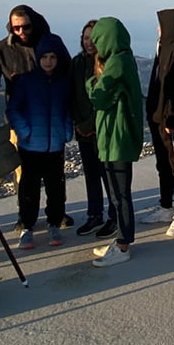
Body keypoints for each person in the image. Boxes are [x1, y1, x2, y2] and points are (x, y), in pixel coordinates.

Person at [0, 4, 73, 229]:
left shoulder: (51, 43)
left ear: (35, 23)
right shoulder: (1, 49)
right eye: (16, 28)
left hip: (52, 121)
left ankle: (56, 215)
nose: (21, 32)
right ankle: (26, 217)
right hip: (22, 122)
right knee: (25, 174)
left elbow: (68, 72)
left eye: (25, 27)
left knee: (54, 176)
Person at [86, 17, 144, 267]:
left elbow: (98, 98)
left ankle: (123, 245)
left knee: (119, 194)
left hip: (117, 138)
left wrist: (91, 83)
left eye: (97, 39)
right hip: (115, 137)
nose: (95, 44)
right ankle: (121, 239)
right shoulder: (122, 59)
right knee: (118, 193)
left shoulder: (117, 62)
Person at [7, 44, 73, 249]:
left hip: (55, 145)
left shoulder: (63, 83)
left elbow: (67, 109)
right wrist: (25, 133)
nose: (48, 61)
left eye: (52, 56)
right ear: (38, 58)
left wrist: (66, 132)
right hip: (30, 146)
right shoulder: (26, 81)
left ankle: (54, 223)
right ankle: (27, 227)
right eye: (44, 56)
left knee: (55, 188)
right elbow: (14, 109)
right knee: (29, 188)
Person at [142, 9, 174, 237]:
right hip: (157, 117)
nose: (158, 29)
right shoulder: (164, 49)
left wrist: (171, 117)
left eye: (161, 25)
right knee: (163, 163)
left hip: (169, 120)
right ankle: (165, 206)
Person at [70, 19, 117, 238]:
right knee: (90, 173)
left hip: (102, 128)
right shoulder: (77, 62)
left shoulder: (107, 63)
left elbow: (104, 98)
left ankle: (114, 216)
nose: (88, 42)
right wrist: (79, 124)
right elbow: (73, 95)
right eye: (85, 37)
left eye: (93, 38)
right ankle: (94, 214)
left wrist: (90, 124)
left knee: (108, 174)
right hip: (83, 128)